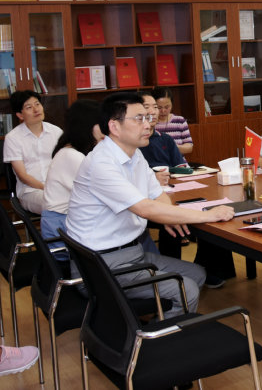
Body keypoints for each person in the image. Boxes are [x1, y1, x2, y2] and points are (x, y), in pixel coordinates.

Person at [65, 92, 234, 317]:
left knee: (197, 274)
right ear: (114, 126)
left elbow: (157, 194)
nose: (148, 124)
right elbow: (145, 208)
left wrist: (169, 215)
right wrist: (209, 215)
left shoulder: (134, 154)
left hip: (131, 252)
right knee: (186, 288)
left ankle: (162, 323)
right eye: (139, 119)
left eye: (147, 117)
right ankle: (154, 337)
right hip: (100, 265)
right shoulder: (101, 163)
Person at [137, 91, 234, 288]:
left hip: (174, 191)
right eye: (147, 108)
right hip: (147, 204)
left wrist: (172, 174)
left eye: (155, 107)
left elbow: (182, 167)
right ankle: (170, 277)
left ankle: (210, 268)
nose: (153, 112)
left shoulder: (165, 139)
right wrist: (152, 179)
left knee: (209, 207)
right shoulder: (134, 145)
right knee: (173, 223)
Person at [41, 100, 105, 260]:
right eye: (101, 123)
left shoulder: (72, 150)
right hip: (61, 230)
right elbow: (102, 192)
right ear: (87, 126)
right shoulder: (72, 156)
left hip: (65, 224)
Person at [3, 90, 63, 213]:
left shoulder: (56, 132)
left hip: (58, 187)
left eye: (37, 104)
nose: (36, 110)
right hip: (30, 191)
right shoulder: (13, 138)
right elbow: (23, 176)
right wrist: (47, 188)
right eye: (29, 107)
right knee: (53, 202)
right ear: (20, 115)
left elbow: (65, 164)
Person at [152, 86, 194, 155]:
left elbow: (189, 147)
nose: (163, 111)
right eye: (159, 107)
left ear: (172, 104)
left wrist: (173, 147)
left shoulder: (180, 121)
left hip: (178, 161)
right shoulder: (149, 123)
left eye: (167, 107)